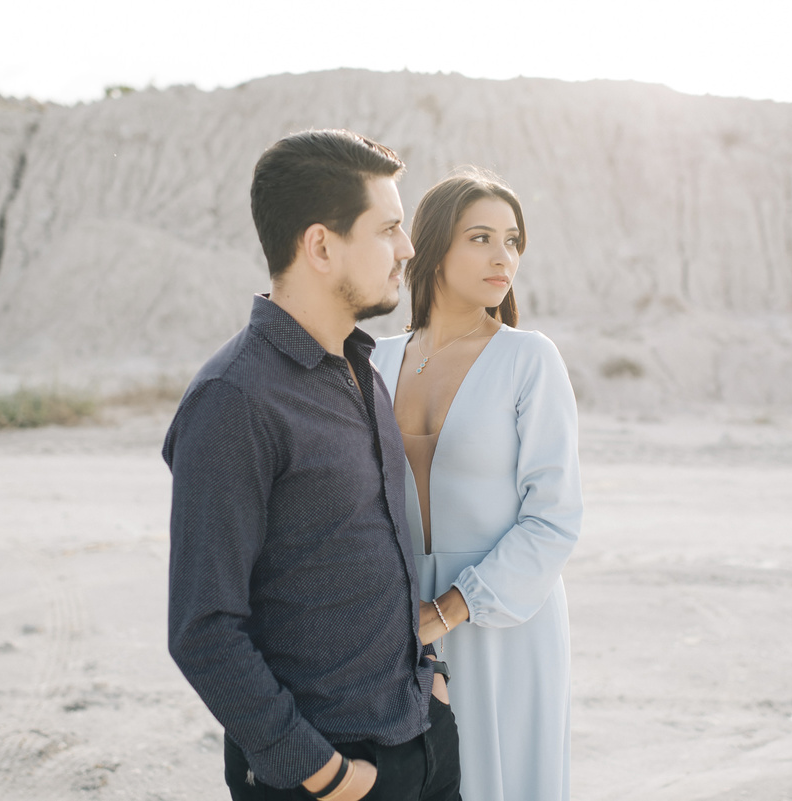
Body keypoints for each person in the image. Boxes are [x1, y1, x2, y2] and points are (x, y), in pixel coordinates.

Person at [163, 129, 461, 801]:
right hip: (326, 773)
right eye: (388, 229)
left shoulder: (363, 367)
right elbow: (203, 627)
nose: (408, 249)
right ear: (321, 245)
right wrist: (322, 772)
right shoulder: (234, 399)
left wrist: (432, 676)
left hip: (423, 740)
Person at [371, 171, 582, 801]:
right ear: (433, 247)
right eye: (482, 237)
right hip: (397, 627)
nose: (503, 257)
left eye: (513, 241)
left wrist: (446, 613)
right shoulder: (374, 360)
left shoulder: (529, 359)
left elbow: (553, 518)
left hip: (504, 620)